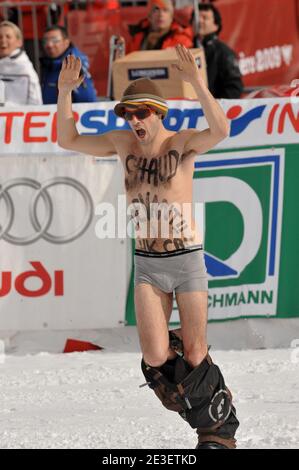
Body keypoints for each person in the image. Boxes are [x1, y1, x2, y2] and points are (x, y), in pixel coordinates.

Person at [57, 45, 239, 449]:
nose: (134, 120)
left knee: (194, 351)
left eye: (142, 113)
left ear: (158, 112)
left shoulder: (183, 142)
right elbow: (67, 138)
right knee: (156, 357)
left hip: (187, 258)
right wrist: (65, 92)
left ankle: (217, 431)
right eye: (129, 114)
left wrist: (196, 83)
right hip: (148, 263)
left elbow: (222, 130)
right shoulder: (122, 144)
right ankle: (209, 405)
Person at [193, 3, 243, 99]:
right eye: (196, 17)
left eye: (205, 18)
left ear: (216, 25)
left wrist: (216, 106)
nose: (199, 21)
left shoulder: (224, 52)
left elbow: (234, 87)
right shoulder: (186, 49)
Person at [40, 25, 97, 104]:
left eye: (55, 40)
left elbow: (87, 101)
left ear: (66, 42)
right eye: (45, 41)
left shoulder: (75, 66)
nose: (49, 45)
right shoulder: (45, 65)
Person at [0, 20, 42, 105]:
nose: (3, 40)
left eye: (8, 37)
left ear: (19, 42)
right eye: (0, 37)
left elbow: (36, 104)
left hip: (16, 117)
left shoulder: (25, 69)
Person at [125, 0, 193, 52]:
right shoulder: (136, 37)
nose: (161, 14)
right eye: (156, 9)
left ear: (171, 16)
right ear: (149, 16)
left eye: (165, 10)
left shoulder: (181, 40)